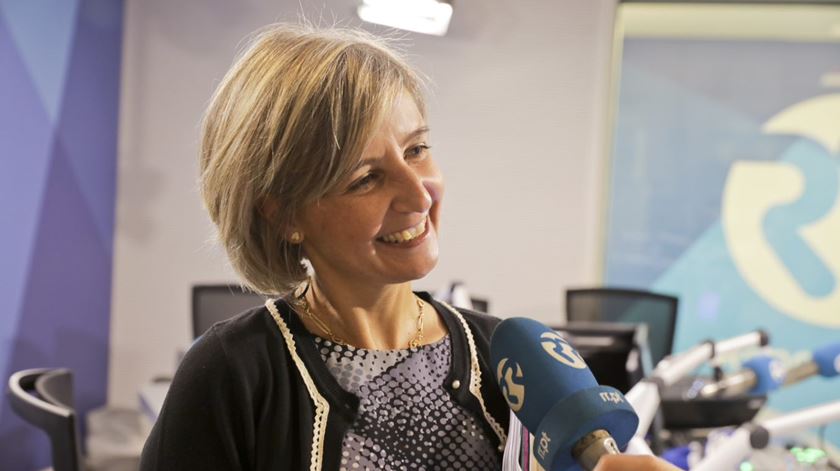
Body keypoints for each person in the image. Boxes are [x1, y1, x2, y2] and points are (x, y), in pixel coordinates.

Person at [139, 23, 679, 471]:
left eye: (417, 149)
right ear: (283, 214)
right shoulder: (233, 374)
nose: (418, 192)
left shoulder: (505, 360)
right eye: (366, 178)